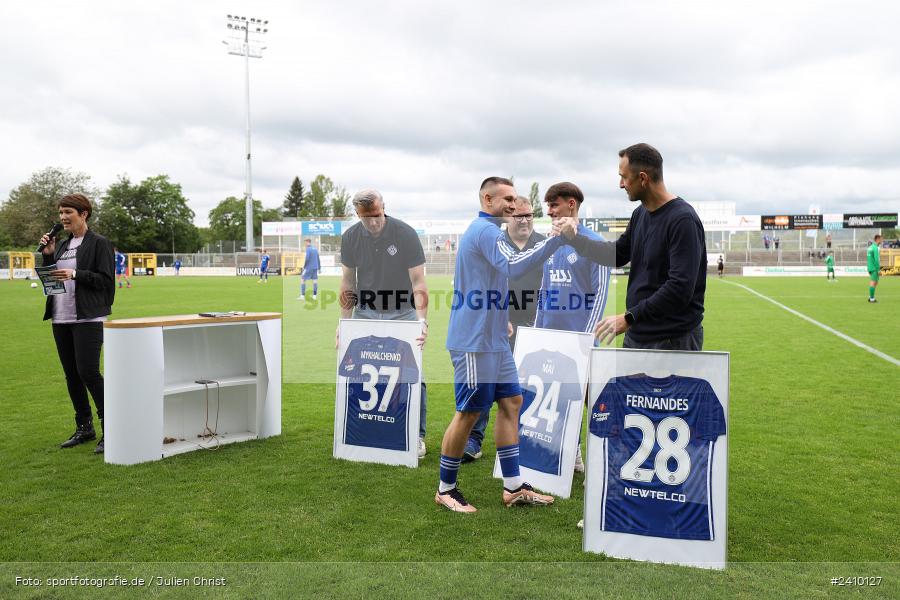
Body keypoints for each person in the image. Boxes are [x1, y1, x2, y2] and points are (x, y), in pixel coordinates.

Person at [436, 176, 564, 513]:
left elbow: (492, 278)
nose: (512, 204)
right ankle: (445, 489)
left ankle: (513, 487)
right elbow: (513, 265)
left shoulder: (493, 232)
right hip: (475, 341)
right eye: (506, 198)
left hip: (492, 337)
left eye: (514, 198)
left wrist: (499, 316)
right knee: (469, 412)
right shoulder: (486, 231)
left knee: (512, 402)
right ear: (487, 198)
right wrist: (554, 240)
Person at [554, 143, 707, 351]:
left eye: (624, 177)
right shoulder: (640, 214)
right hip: (637, 333)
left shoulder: (683, 220)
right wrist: (574, 239)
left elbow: (680, 288)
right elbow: (616, 255)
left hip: (672, 339)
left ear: (643, 178)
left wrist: (629, 317)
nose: (620, 184)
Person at [338, 189, 430, 457]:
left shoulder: (405, 233)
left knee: (413, 373)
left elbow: (418, 282)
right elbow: (348, 282)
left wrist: (422, 321)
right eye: (367, 217)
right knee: (359, 370)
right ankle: (363, 428)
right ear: (358, 215)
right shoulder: (351, 237)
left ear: (383, 208)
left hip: (402, 312)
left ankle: (417, 434)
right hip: (366, 312)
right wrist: (343, 324)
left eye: (377, 215)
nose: (374, 222)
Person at [463, 195, 546, 464]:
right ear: (508, 216)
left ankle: (545, 442)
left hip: (535, 326)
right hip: (501, 327)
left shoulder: (544, 244)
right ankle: (474, 439)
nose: (524, 220)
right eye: (518, 215)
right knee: (487, 384)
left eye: (529, 215)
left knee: (537, 386)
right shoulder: (496, 242)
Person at [534, 182, 611, 472]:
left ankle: (604, 458)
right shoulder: (551, 243)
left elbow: (601, 292)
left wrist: (588, 336)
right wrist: (538, 331)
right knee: (559, 397)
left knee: (592, 400)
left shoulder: (594, 243)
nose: (550, 211)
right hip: (552, 338)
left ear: (571, 205)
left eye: (554, 205)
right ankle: (572, 453)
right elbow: (545, 290)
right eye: (548, 206)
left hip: (581, 338)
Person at [39, 194, 115, 453]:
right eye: (60, 213)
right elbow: (53, 279)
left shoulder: (100, 244)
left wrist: (75, 274)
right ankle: (85, 427)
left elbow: (106, 280)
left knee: (88, 373)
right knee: (72, 375)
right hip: (61, 317)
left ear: (84, 214)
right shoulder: (61, 245)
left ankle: (112, 428)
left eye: (68, 212)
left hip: (88, 317)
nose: (62, 217)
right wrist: (48, 257)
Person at [867, 234, 882, 303]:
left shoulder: (870, 247)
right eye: (881, 239)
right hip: (874, 268)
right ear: (877, 239)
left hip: (870, 267)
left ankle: (870, 296)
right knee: (873, 282)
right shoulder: (875, 248)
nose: (881, 240)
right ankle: (871, 299)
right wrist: (878, 269)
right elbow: (876, 259)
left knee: (875, 282)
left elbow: (869, 258)